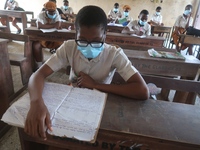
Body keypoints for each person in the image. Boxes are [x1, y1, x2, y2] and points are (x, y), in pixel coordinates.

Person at [24, 5, 149, 140]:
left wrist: (95, 85)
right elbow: (38, 75)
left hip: (101, 102)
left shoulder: (114, 54)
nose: (89, 46)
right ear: (76, 34)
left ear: (105, 36)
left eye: (96, 41)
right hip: (73, 99)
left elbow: (142, 90)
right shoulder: (69, 47)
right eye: (82, 40)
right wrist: (36, 102)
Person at [33, 1, 63, 69]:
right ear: (46, 10)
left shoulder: (56, 12)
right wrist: (53, 25)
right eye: (50, 11)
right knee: (36, 45)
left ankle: (58, 64)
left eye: (53, 11)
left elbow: (58, 25)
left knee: (61, 46)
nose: (52, 13)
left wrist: (45, 25)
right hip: (44, 37)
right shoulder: (41, 14)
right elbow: (39, 26)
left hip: (55, 38)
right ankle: (39, 64)